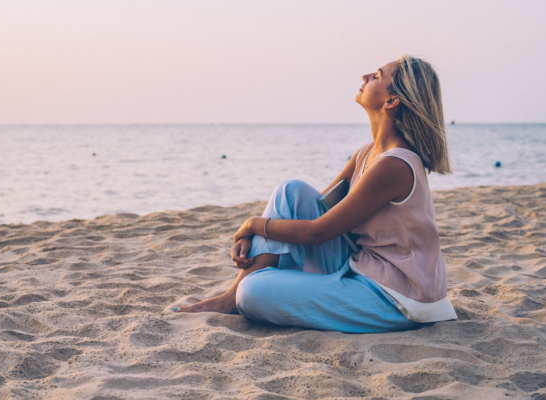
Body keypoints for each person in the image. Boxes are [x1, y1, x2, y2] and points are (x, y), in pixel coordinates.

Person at [175, 55, 458, 333]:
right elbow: (311, 211)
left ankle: (241, 293)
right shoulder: (366, 153)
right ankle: (230, 297)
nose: (365, 76)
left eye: (377, 75)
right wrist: (260, 236)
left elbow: (316, 233)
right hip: (362, 265)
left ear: (391, 101)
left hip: (398, 296)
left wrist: (251, 225)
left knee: (252, 292)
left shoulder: (394, 165)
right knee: (291, 192)